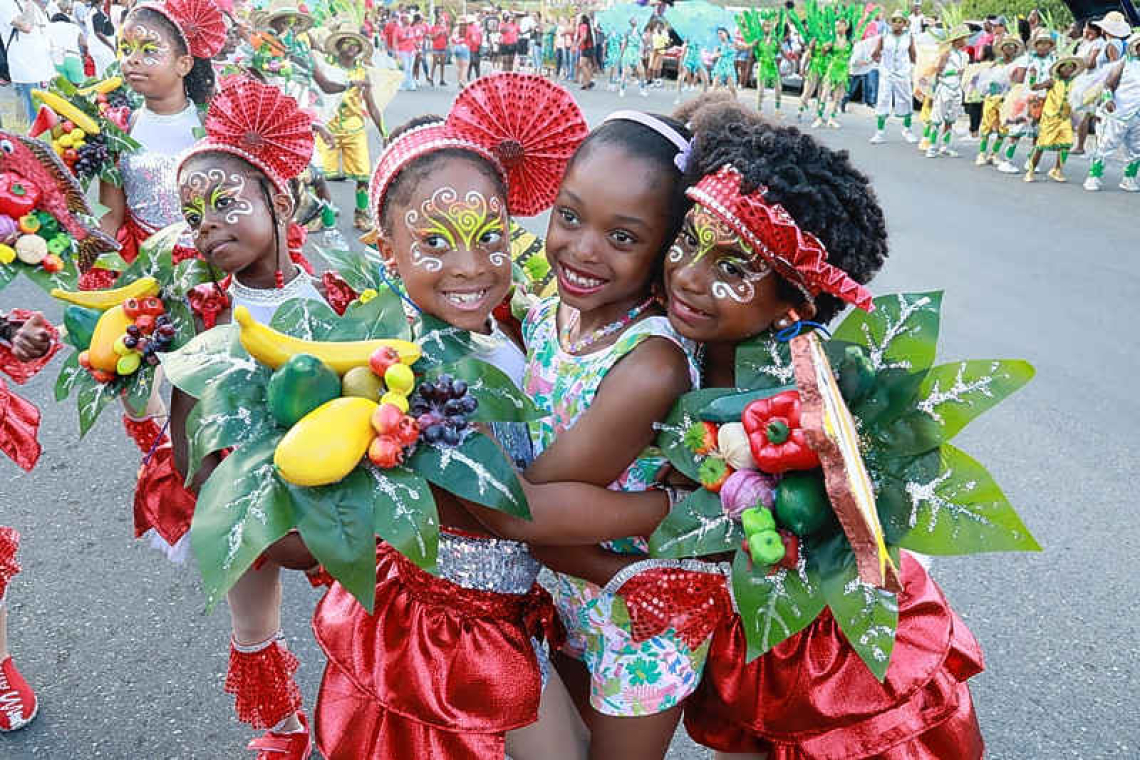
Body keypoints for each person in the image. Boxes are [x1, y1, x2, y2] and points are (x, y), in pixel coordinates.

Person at [308, 75, 663, 760]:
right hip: (449, 630)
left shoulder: (510, 323)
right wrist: (668, 506)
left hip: (515, 608)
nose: (469, 266)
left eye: (488, 237)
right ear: (388, 253)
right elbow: (510, 512)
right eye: (434, 244)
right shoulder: (406, 377)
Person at [172, 76, 326, 760]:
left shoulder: (342, 292)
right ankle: (288, 728)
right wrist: (206, 486)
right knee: (251, 620)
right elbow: (183, 417)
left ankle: (365, 715)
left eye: (226, 203)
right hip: (236, 486)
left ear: (280, 199)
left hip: (335, 489)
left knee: (361, 614)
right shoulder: (198, 313)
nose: (207, 223)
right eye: (192, 213)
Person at [316, 23, 385, 231]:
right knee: (318, 175)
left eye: (356, 44)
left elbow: (372, 105)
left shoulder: (362, 72)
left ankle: (361, 215)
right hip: (328, 127)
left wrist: (384, 132)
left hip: (354, 128)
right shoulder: (326, 66)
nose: (352, 47)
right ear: (339, 46)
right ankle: (322, 213)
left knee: (363, 175)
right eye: (347, 43)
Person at [1085, 32, 1140, 192]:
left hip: (1138, 116)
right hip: (1119, 112)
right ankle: (1094, 176)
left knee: (1137, 149)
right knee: (1107, 145)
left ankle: (1129, 178)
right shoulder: (1125, 63)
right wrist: (1108, 99)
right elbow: (1108, 83)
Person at [996, 27, 1056, 174]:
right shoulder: (1027, 59)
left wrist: (1045, 86)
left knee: (1038, 132)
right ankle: (1007, 160)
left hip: (1044, 99)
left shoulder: (1054, 59)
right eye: (1040, 43)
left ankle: (1031, 161)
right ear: (1035, 45)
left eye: (1046, 43)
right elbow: (1019, 80)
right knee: (1017, 130)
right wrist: (1024, 92)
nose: (1043, 46)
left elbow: (1055, 77)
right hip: (1026, 98)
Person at [1025, 54, 1084, 182]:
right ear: (1059, 69)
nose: (1068, 70)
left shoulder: (1075, 83)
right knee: (1041, 146)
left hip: (1064, 118)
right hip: (1050, 118)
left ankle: (1057, 170)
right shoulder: (1053, 81)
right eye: (1065, 67)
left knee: (1066, 144)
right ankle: (1030, 170)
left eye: (1071, 67)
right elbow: (1034, 87)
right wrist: (1033, 76)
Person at [0, 0, 55, 123]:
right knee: (36, 117)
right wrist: (30, 3)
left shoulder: (31, 5)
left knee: (49, 115)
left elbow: (44, 30)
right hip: (27, 68)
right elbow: (26, 26)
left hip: (43, 67)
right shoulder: (5, 3)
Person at [870, 9, 918, 144]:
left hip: (903, 73)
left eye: (900, 21)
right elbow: (875, 53)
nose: (897, 24)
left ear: (904, 23)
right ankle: (879, 133)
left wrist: (916, 69)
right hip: (887, 74)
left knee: (906, 99)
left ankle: (907, 130)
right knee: (883, 99)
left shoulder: (909, 37)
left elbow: (913, 54)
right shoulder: (884, 36)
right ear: (891, 23)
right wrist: (881, 63)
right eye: (894, 21)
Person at [976, 36, 1024, 166]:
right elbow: (985, 81)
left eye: (1012, 47)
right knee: (987, 125)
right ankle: (981, 153)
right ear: (1002, 49)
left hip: (1007, 99)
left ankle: (994, 153)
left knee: (1004, 127)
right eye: (1007, 46)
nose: (1009, 49)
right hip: (992, 98)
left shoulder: (1018, 66)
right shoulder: (994, 64)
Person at [925, 25, 972, 158]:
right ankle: (932, 146)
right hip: (945, 87)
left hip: (957, 88)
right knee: (937, 118)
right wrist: (954, 72)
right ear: (958, 39)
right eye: (964, 38)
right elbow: (938, 70)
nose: (966, 40)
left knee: (951, 119)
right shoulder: (947, 53)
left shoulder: (965, 55)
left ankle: (945, 146)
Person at [814, 16, 853, 129]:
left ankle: (832, 118)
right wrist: (825, 49)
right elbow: (823, 54)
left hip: (843, 70)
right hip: (832, 69)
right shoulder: (831, 40)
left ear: (846, 27)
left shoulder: (850, 41)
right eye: (836, 26)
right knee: (825, 93)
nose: (837, 27)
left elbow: (852, 55)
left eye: (840, 25)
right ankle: (819, 118)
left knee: (838, 96)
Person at [46, 10, 86, 84]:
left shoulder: (48, 27)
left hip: (56, 59)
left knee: (63, 88)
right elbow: (84, 43)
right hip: (73, 57)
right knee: (80, 86)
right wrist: (85, 55)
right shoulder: (74, 26)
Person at [618, 15, 647, 97]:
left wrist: (645, 49)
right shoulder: (627, 31)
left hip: (636, 52)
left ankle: (642, 89)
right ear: (630, 22)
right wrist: (621, 54)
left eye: (635, 20)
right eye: (633, 20)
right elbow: (624, 43)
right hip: (629, 51)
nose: (634, 21)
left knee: (641, 71)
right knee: (625, 72)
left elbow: (644, 41)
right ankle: (622, 89)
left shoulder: (639, 31)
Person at [711, 27, 740, 98]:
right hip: (720, 66)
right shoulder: (718, 44)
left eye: (721, 33)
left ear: (726, 33)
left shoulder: (732, 42)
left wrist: (717, 54)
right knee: (715, 87)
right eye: (718, 34)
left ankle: (735, 102)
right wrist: (715, 54)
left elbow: (732, 50)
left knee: (732, 87)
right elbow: (715, 55)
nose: (719, 35)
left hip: (729, 66)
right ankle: (711, 103)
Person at [427, 8, 448, 87]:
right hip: (436, 47)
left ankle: (442, 79)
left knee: (442, 64)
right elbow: (432, 37)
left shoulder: (444, 28)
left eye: (442, 20)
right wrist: (438, 33)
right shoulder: (433, 28)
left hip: (443, 47)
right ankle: (431, 78)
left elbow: (447, 37)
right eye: (440, 19)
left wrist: (445, 33)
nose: (441, 21)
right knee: (434, 64)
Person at [576, 12, 595, 89]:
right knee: (586, 65)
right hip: (589, 47)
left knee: (582, 65)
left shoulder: (582, 26)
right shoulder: (587, 25)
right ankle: (586, 83)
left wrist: (577, 44)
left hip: (586, 47)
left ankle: (589, 81)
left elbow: (583, 37)